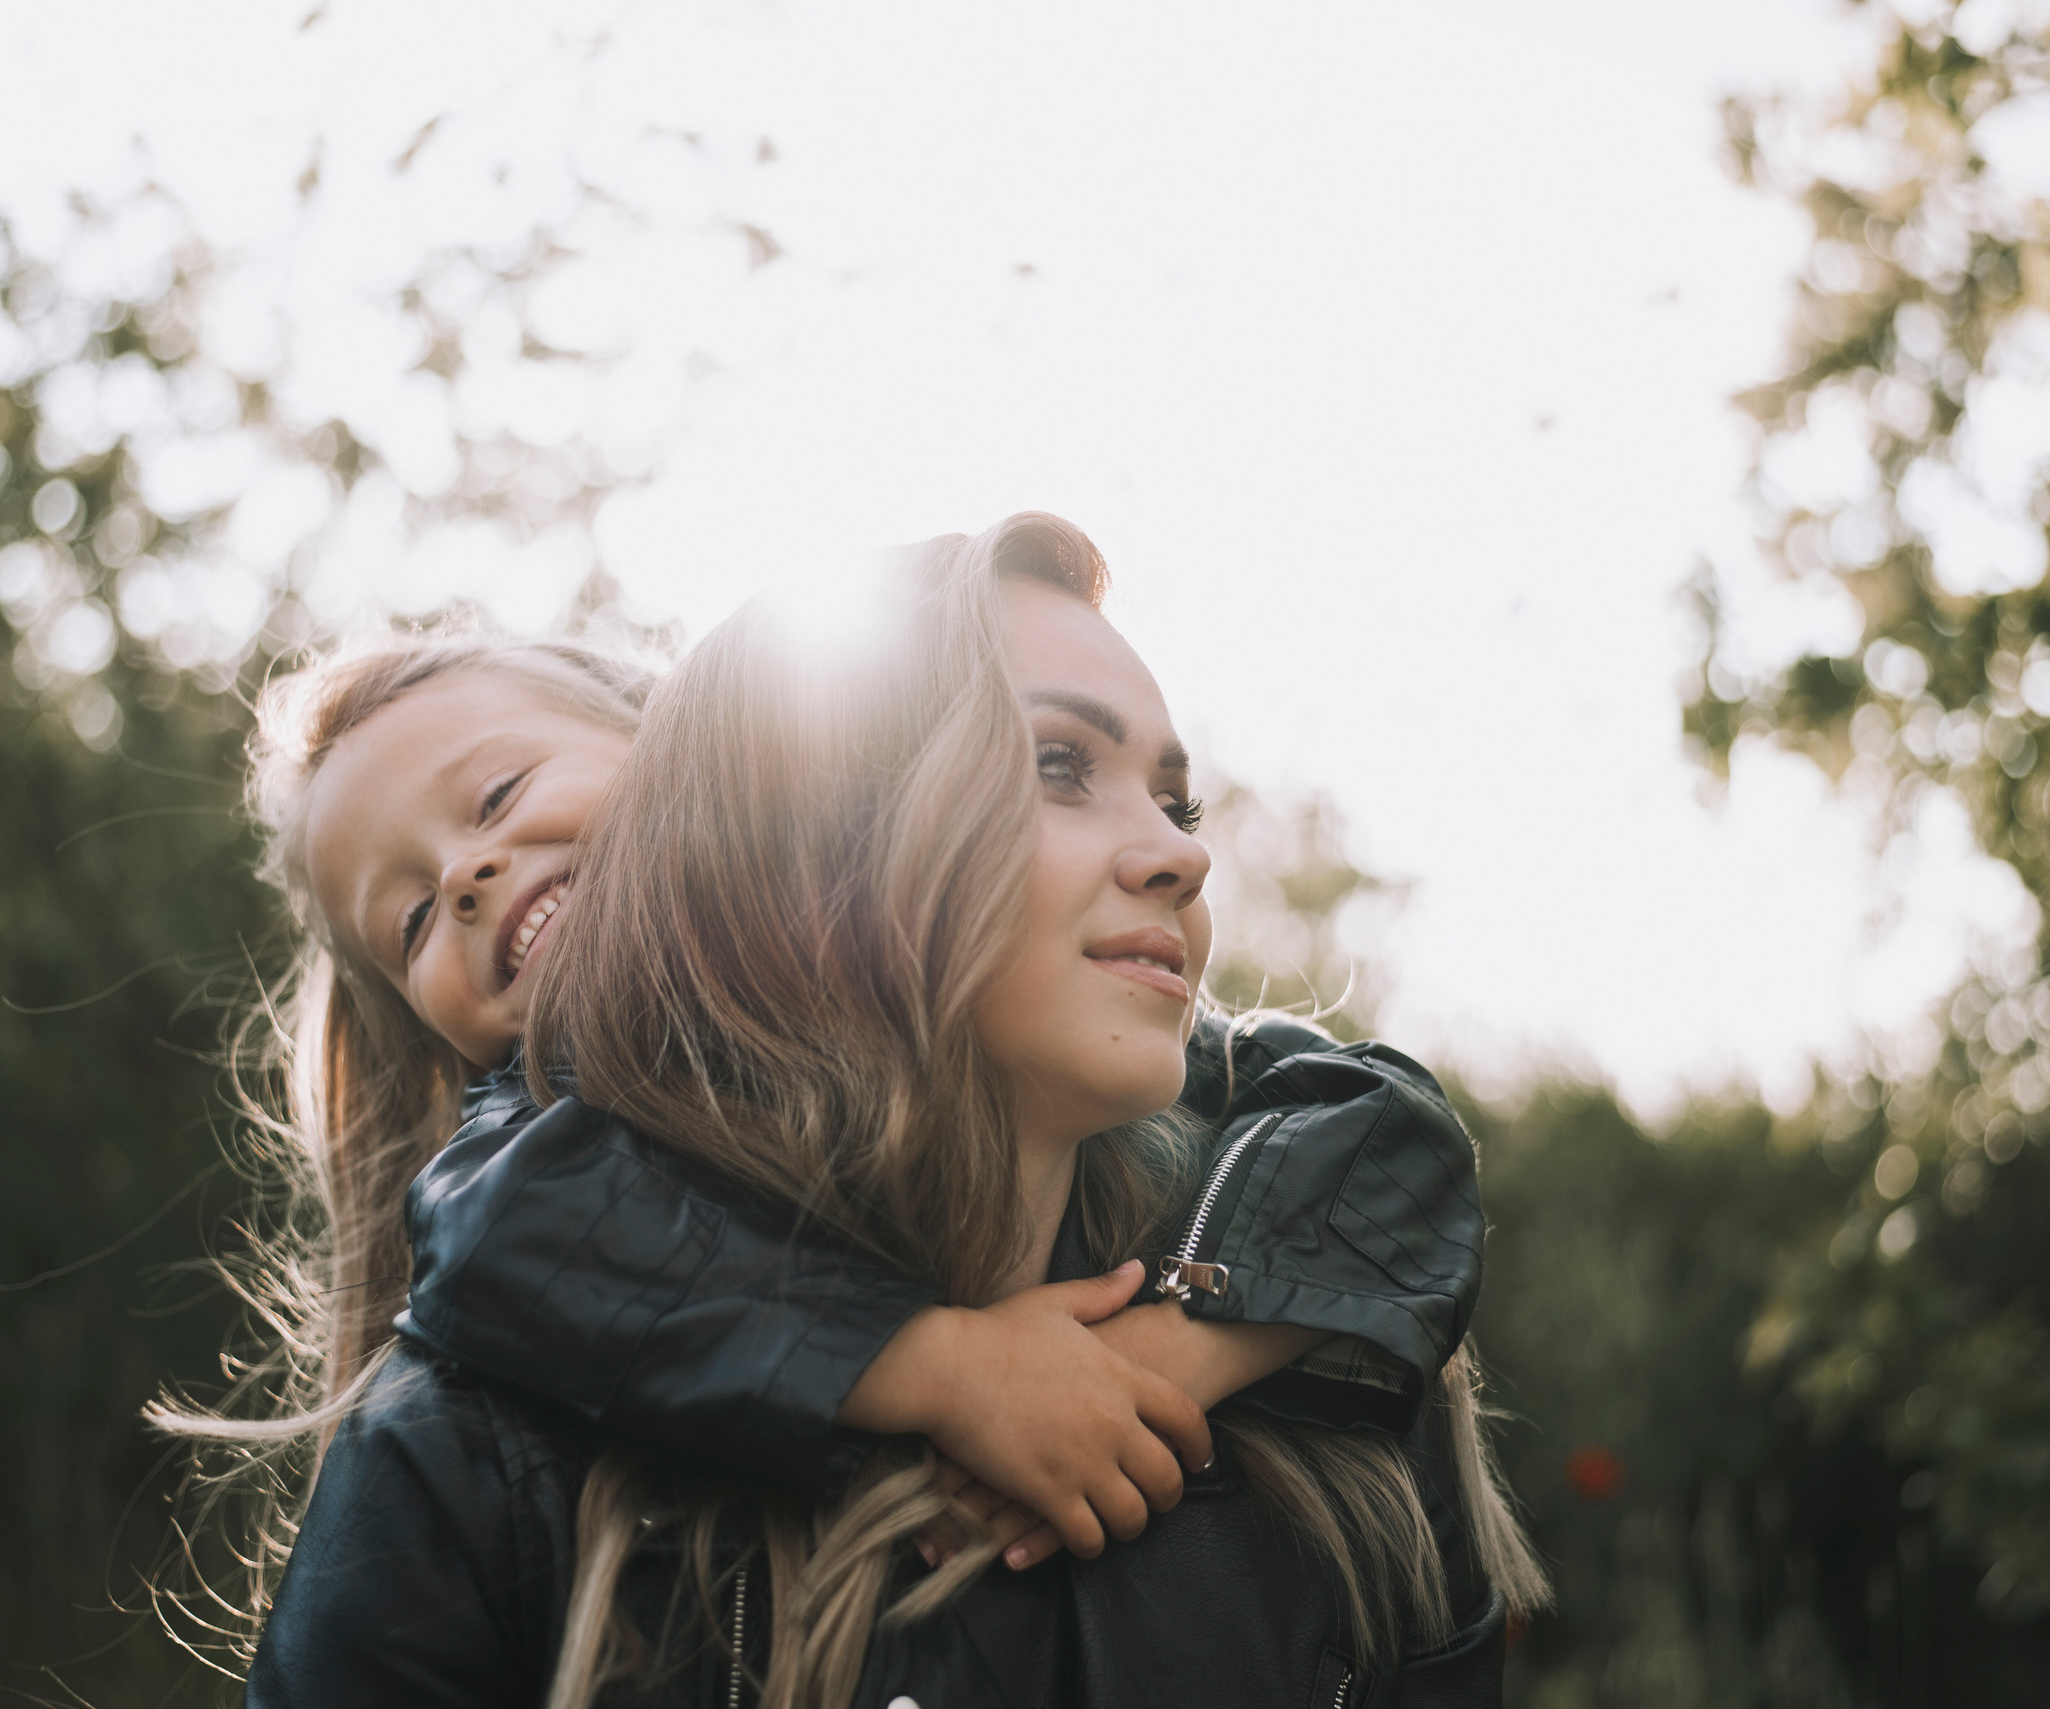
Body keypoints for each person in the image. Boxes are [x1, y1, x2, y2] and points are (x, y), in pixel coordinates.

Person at [240, 513, 1545, 1706]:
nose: (468, 879)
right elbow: (502, 1225)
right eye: (411, 919)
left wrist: (1171, 1353)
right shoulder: (485, 1392)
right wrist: (935, 1361)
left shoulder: (1307, 1343)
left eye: (501, 796)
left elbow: (1388, 1122)